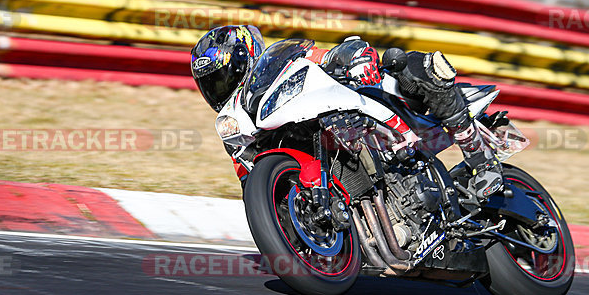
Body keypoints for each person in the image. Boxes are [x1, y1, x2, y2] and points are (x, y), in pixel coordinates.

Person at [190, 26, 502, 200]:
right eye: (212, 84)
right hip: (319, 160)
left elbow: (333, 53)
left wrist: (355, 57)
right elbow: (251, 185)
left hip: (369, 105)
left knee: (412, 66)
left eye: (223, 75)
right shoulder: (238, 124)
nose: (220, 86)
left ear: (244, 58)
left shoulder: (286, 62)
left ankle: (480, 158)